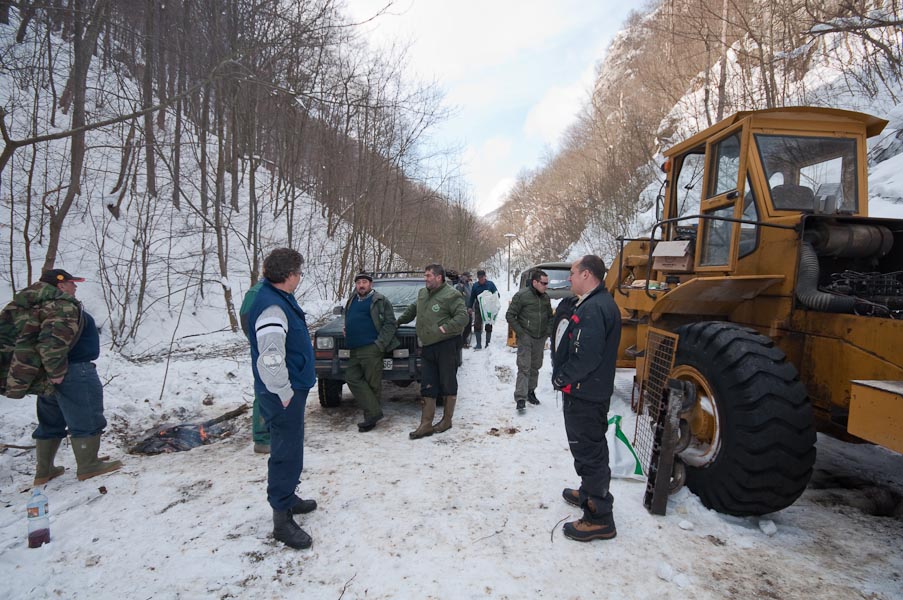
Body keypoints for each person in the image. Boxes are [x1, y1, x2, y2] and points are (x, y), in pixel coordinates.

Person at [0, 269, 122, 485]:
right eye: (72, 283)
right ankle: (88, 465)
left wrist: (49, 371)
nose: (75, 286)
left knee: (50, 419)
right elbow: (52, 341)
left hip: (45, 373)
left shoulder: (32, 304)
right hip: (71, 370)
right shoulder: (61, 305)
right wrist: (56, 371)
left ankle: (44, 470)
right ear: (60, 285)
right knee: (86, 415)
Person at [246, 248, 318, 550]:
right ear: (288, 275)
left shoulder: (277, 295)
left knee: (290, 446)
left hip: (287, 390)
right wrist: (284, 392)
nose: (300, 278)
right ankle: (281, 520)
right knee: (285, 453)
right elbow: (270, 357)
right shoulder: (272, 308)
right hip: (282, 394)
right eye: (298, 273)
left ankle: (288, 497)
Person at [551, 255, 621, 542]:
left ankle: (598, 516)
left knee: (589, 452)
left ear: (587, 275)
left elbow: (586, 358)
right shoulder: (595, 303)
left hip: (585, 393)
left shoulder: (594, 309)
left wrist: (561, 378)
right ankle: (590, 491)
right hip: (589, 391)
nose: (569, 278)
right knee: (591, 447)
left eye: (572, 273)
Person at [397, 264, 468, 439]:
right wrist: (397, 322)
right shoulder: (423, 293)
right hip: (428, 346)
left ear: (439, 277)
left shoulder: (451, 294)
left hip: (447, 345)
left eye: (428, 275)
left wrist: (445, 328)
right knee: (427, 383)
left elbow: (463, 317)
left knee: (447, 382)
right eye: (425, 275)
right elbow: (413, 310)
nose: (426, 278)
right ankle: (426, 424)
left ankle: (447, 420)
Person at [343, 271, 399, 432]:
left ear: (370, 284)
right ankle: (375, 413)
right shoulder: (352, 299)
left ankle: (370, 419)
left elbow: (390, 323)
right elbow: (349, 317)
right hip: (354, 348)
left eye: (364, 282)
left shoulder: (380, 300)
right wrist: (347, 327)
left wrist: (379, 344)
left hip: (371, 348)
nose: (361, 285)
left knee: (372, 384)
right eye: (358, 282)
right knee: (351, 378)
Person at [506, 269, 553, 411]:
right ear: (535, 282)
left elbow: (550, 317)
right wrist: (521, 333)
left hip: (540, 338)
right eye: (543, 283)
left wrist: (547, 332)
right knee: (524, 367)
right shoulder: (522, 296)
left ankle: (530, 391)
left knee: (535, 366)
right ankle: (521, 397)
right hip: (526, 337)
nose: (546, 286)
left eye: (547, 283)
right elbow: (510, 315)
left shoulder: (545, 298)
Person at [240, 278, 270, 454]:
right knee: (265, 392)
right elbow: (247, 322)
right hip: (266, 351)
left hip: (278, 351)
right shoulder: (256, 293)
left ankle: (273, 433)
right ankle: (263, 437)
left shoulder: (276, 291)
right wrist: (263, 344)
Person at [468, 270, 498, 350]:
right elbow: (472, 297)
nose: (481, 279)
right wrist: (469, 307)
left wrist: (493, 298)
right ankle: (478, 344)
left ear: (485, 276)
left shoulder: (490, 284)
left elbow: (496, 294)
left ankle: (488, 343)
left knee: (488, 324)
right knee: (477, 324)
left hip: (488, 307)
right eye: (479, 278)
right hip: (478, 307)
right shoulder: (475, 286)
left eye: (482, 277)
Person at [455, 272, 473, 348]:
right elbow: (458, 297)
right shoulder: (460, 286)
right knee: (464, 327)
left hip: (469, 309)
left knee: (469, 327)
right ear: (463, 277)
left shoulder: (469, 285)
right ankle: (462, 343)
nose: (469, 278)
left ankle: (464, 341)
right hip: (463, 309)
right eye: (467, 277)